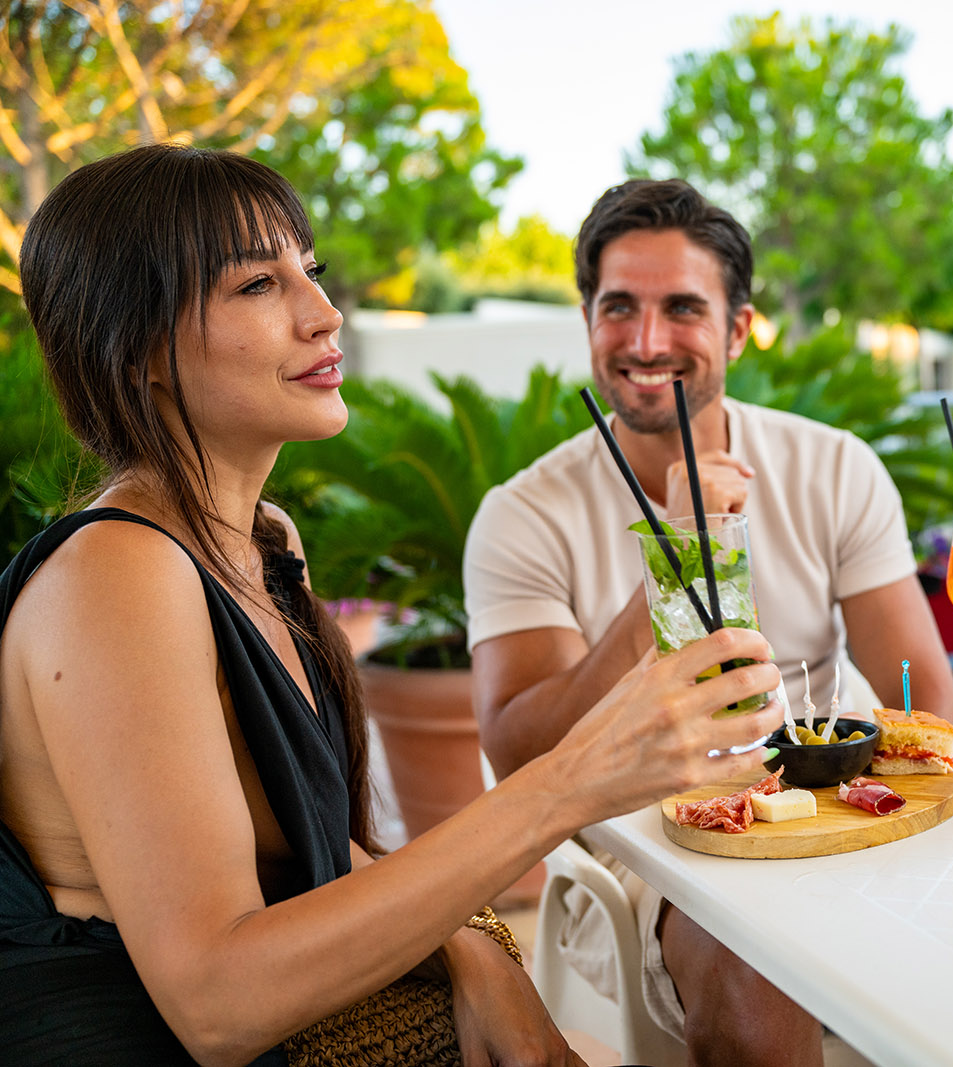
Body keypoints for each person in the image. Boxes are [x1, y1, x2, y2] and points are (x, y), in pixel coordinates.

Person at [0, 144, 782, 1066]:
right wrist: (576, 777)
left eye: (311, 269)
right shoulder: (116, 572)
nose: (325, 312)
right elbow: (216, 1004)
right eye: (258, 284)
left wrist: (476, 949)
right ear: (137, 349)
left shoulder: (262, 541)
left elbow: (321, 844)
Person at [465, 178, 953, 1066]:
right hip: (641, 842)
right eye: (619, 307)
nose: (646, 341)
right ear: (588, 321)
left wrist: (855, 801)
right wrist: (676, 551)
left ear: (737, 329)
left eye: (683, 308)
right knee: (752, 961)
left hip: (832, 802)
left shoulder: (833, 466)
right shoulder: (523, 513)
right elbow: (520, 754)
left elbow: (927, 700)